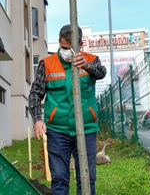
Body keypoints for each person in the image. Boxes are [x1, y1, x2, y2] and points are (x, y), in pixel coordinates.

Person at [29, 25, 106, 195]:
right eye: (64, 47)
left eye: (72, 48)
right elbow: (35, 93)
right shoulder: (47, 64)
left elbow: (101, 73)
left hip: (86, 130)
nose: (67, 52)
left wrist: (86, 66)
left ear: (80, 43)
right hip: (58, 131)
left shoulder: (91, 60)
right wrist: (38, 119)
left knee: (87, 178)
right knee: (59, 179)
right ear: (58, 42)